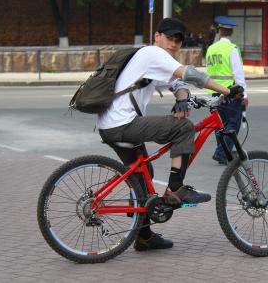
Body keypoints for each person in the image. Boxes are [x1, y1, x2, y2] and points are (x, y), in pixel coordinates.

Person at [97, 17, 240, 251]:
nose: (173, 44)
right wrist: (227, 90)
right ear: (157, 36)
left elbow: (175, 84)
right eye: (169, 38)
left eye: (178, 40)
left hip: (111, 123)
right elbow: (189, 74)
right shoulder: (153, 54)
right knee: (183, 128)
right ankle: (176, 188)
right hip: (122, 124)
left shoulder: (151, 59)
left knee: (144, 174)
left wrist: (182, 100)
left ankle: (143, 236)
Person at [206, 16, 249, 165]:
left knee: (220, 124)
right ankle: (221, 152)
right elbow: (238, 74)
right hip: (230, 92)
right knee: (233, 124)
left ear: (218, 31)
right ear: (231, 32)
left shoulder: (211, 49)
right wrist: (244, 94)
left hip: (214, 92)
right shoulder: (232, 49)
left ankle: (223, 152)